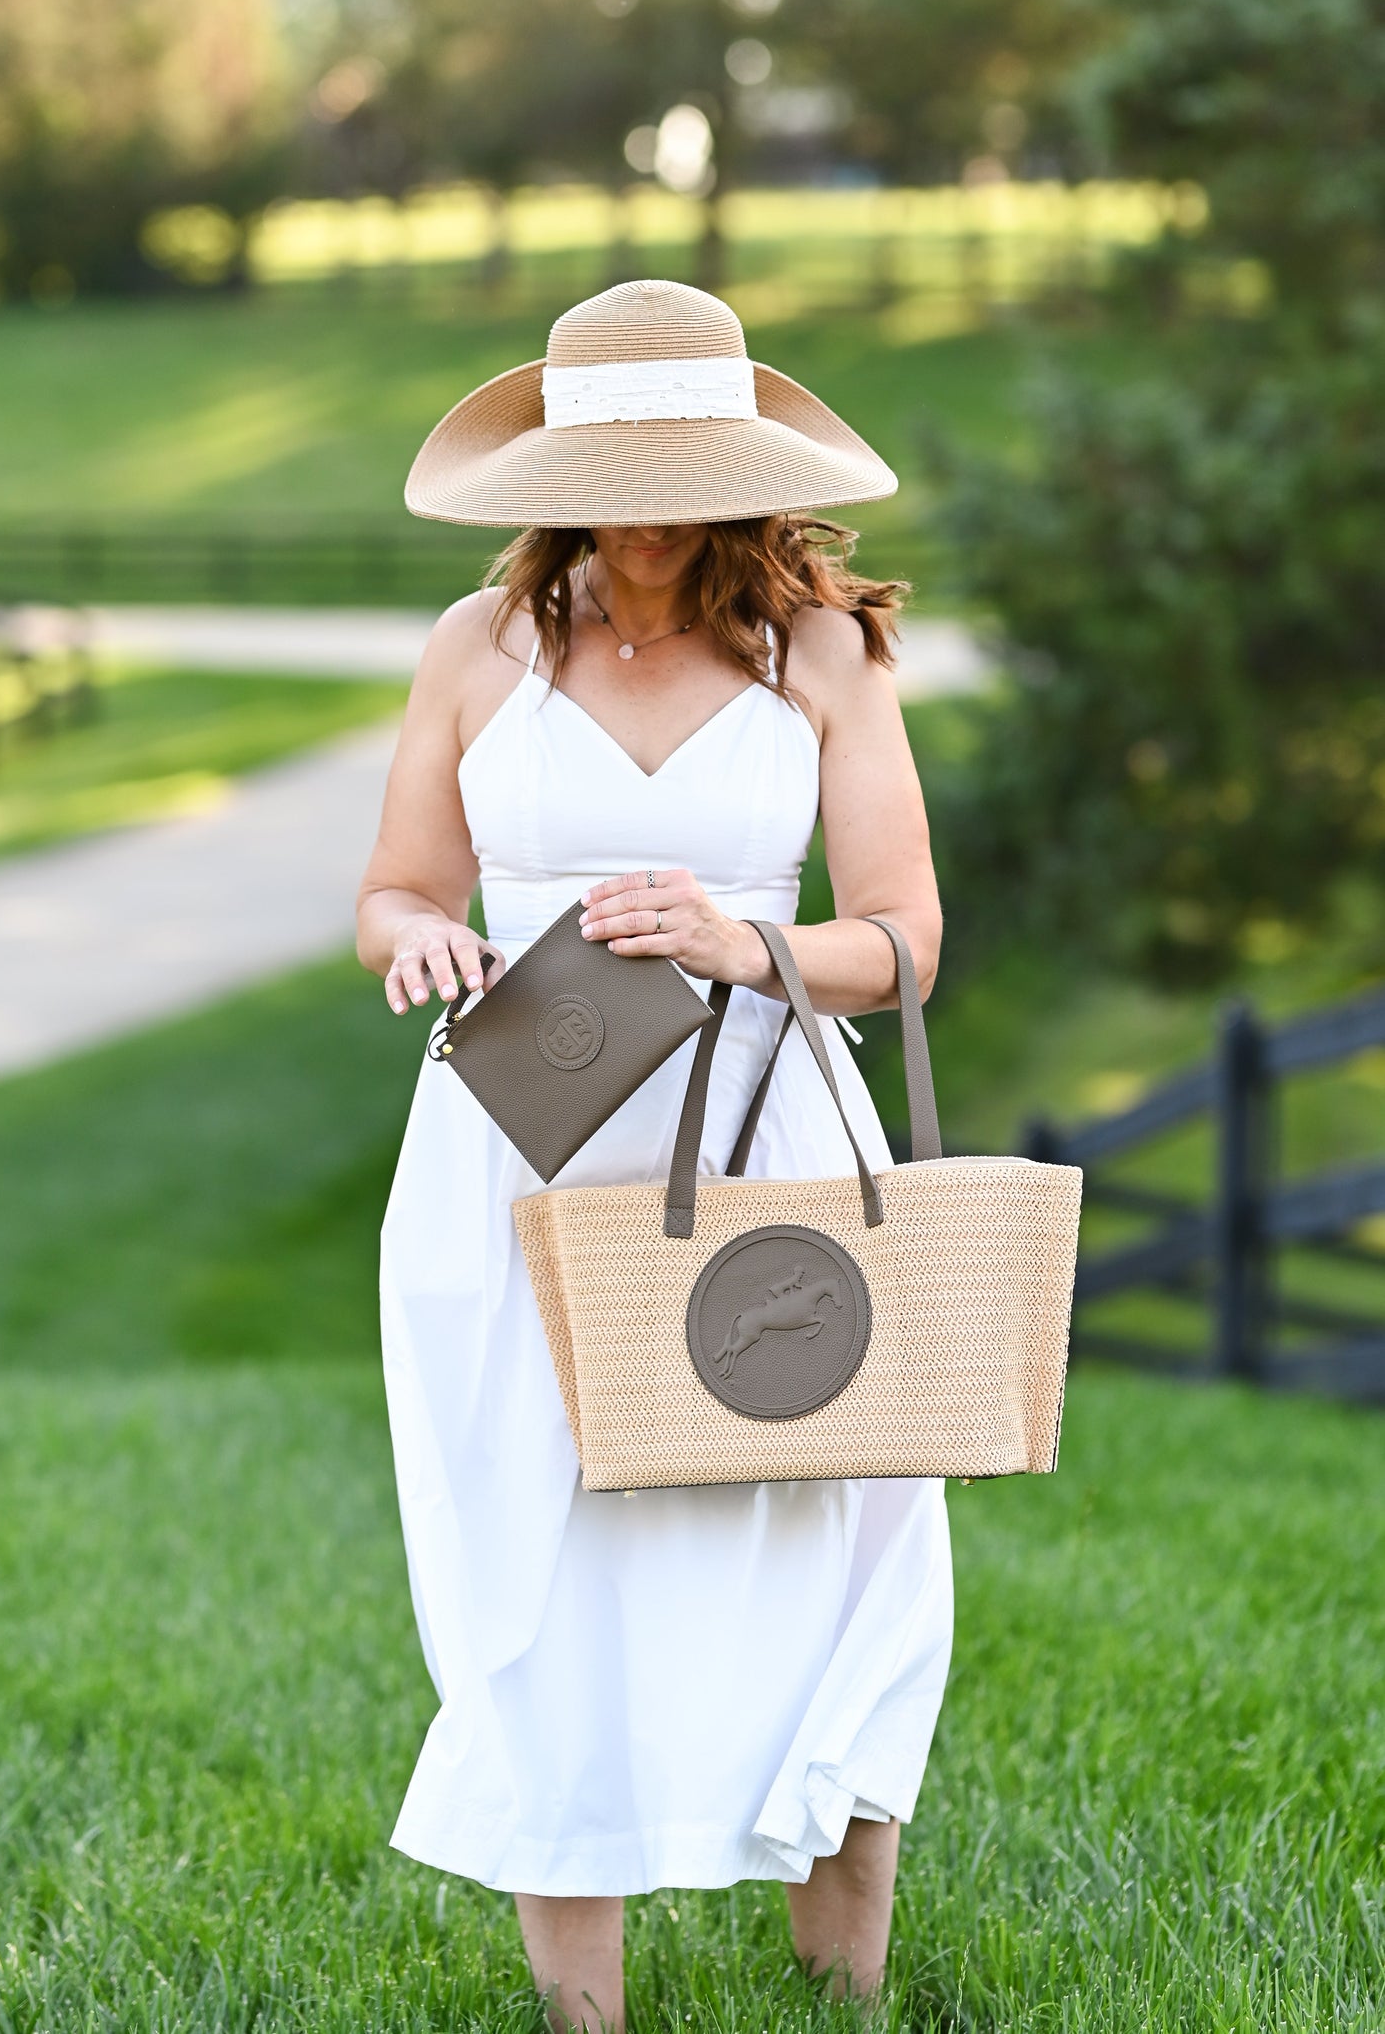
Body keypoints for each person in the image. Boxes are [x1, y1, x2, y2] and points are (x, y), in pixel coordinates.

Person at [356, 280, 953, 2031]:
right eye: (612, 459)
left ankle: (842, 1992)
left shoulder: (819, 655)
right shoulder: (476, 646)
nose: (645, 496)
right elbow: (398, 885)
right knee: (544, 1544)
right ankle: (580, 2014)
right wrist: (413, 941)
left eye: (678, 458)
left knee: (832, 1526)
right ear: (554, 466)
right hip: (519, 1141)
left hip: (770, 1135)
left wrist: (740, 938)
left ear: (737, 464)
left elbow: (906, 939)